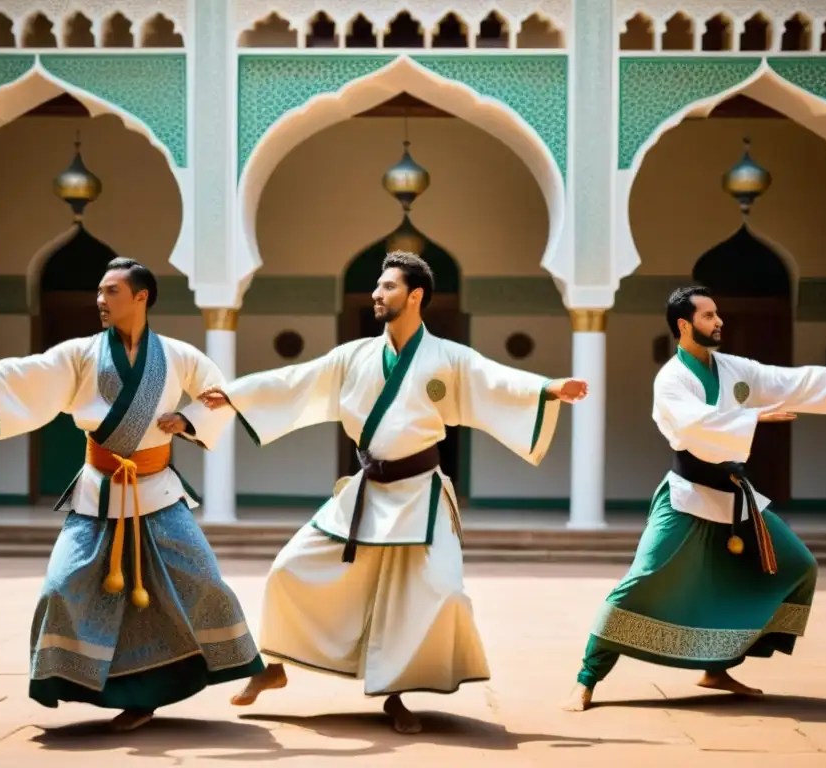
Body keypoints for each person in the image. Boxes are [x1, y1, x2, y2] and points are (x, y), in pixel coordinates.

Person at [197, 251, 588, 734]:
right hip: (366, 490)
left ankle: (395, 693)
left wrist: (546, 389)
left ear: (415, 295)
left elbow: (495, 379)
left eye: (387, 287)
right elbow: (296, 378)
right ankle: (276, 663)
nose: (377, 295)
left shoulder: (448, 356)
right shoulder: (354, 355)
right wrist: (237, 393)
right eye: (377, 287)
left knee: (437, 594)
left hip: (419, 494)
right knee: (289, 569)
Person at [0, 258, 263, 732]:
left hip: (157, 490)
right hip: (97, 490)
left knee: (202, 577)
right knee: (63, 584)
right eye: (99, 291)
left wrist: (188, 421)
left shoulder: (179, 355)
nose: (101, 300)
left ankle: (234, 669)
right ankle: (75, 678)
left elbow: (220, 391)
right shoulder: (81, 352)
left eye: (113, 291)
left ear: (141, 297)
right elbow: (31, 372)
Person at [565, 285, 826, 711]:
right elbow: (693, 424)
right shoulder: (671, 379)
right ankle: (587, 678)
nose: (719, 321)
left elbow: (784, 378)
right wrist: (752, 416)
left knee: (800, 565)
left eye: (717, 313)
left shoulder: (731, 367)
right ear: (684, 326)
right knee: (643, 578)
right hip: (687, 496)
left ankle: (717, 667)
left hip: (735, 496)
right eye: (708, 316)